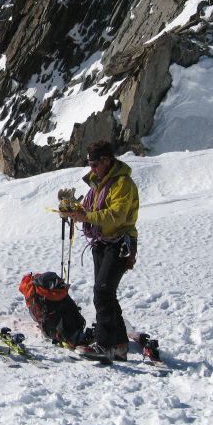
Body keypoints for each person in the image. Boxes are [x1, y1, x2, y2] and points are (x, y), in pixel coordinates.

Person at [63, 140, 139, 362]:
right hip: (102, 241)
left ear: (107, 160)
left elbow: (117, 215)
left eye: (95, 163)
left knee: (103, 292)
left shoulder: (122, 184)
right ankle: (119, 344)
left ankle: (104, 345)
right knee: (106, 293)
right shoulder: (99, 182)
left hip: (119, 242)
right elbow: (93, 208)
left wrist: (85, 217)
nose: (91, 168)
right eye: (90, 164)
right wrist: (74, 211)